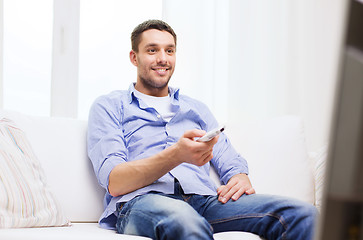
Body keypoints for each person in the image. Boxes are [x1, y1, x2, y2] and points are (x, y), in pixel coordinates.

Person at [87, 19, 317, 240]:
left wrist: (239, 176)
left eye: (169, 50)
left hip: (205, 202)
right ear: (134, 57)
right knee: (186, 221)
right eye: (152, 50)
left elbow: (229, 159)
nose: (162, 58)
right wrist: (176, 155)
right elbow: (115, 182)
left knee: (303, 215)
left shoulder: (196, 108)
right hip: (143, 202)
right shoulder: (109, 106)